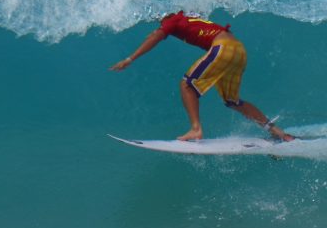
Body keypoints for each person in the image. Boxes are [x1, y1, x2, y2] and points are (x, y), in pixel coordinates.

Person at [109, 11, 294, 142]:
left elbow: (156, 37)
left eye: (160, 20)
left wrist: (130, 58)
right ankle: (275, 130)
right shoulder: (188, 19)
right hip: (239, 50)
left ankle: (196, 129)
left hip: (222, 48)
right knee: (232, 100)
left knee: (187, 85)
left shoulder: (172, 20)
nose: (160, 23)